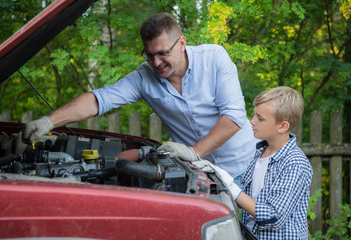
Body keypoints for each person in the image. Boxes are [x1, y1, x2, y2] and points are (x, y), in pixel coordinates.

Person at [22, 12, 256, 185]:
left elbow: (234, 116)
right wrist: (49, 122)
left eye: (163, 53)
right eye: (149, 55)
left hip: (246, 167)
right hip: (203, 177)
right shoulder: (144, 76)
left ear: (182, 43)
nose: (156, 63)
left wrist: (194, 152)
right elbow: (99, 100)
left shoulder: (214, 58)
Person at [210, 86, 313, 239]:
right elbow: (247, 201)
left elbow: (273, 217)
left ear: (283, 126)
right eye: (254, 115)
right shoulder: (260, 152)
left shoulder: (294, 163)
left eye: (260, 118)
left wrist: (232, 187)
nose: (252, 121)